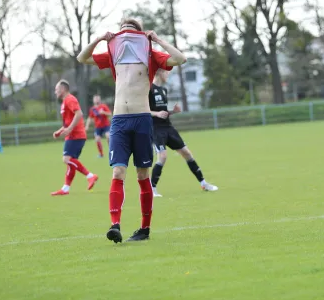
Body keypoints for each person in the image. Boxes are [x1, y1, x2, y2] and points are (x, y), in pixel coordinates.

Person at [77, 18, 186, 243]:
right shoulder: (113, 55)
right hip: (118, 121)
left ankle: (144, 229)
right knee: (118, 172)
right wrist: (99, 39)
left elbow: (180, 58)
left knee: (142, 175)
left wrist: (156, 40)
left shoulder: (150, 54)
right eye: (122, 33)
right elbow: (82, 58)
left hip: (142, 120)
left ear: (139, 35)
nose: (125, 37)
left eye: (130, 33)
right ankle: (115, 225)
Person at [149, 69, 218, 197]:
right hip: (156, 129)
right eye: (166, 72)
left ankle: (203, 183)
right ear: (158, 72)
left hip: (168, 127)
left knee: (187, 153)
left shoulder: (164, 90)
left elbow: (162, 112)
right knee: (162, 157)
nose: (168, 74)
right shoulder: (149, 89)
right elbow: (143, 111)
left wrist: (172, 112)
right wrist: (156, 113)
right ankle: (152, 189)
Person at [51, 79, 99, 196]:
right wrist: (60, 131)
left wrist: (70, 129)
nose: (55, 92)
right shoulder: (64, 102)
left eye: (56, 89)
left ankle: (90, 176)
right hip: (72, 135)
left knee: (66, 159)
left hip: (76, 135)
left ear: (63, 89)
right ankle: (65, 189)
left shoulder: (70, 99)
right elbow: (67, 122)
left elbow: (79, 114)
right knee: (71, 163)